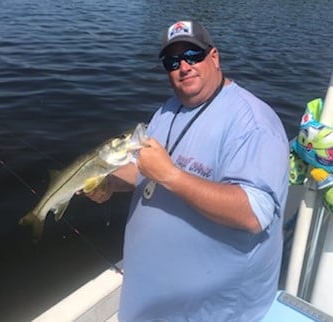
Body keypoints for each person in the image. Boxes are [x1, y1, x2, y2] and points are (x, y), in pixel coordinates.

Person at [86, 20, 289, 322]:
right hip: (149, 296)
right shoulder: (169, 109)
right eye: (173, 61)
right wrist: (111, 182)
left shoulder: (254, 123)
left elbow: (254, 213)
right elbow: (146, 171)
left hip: (211, 310)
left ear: (214, 57)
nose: (184, 67)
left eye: (193, 55)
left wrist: (170, 175)